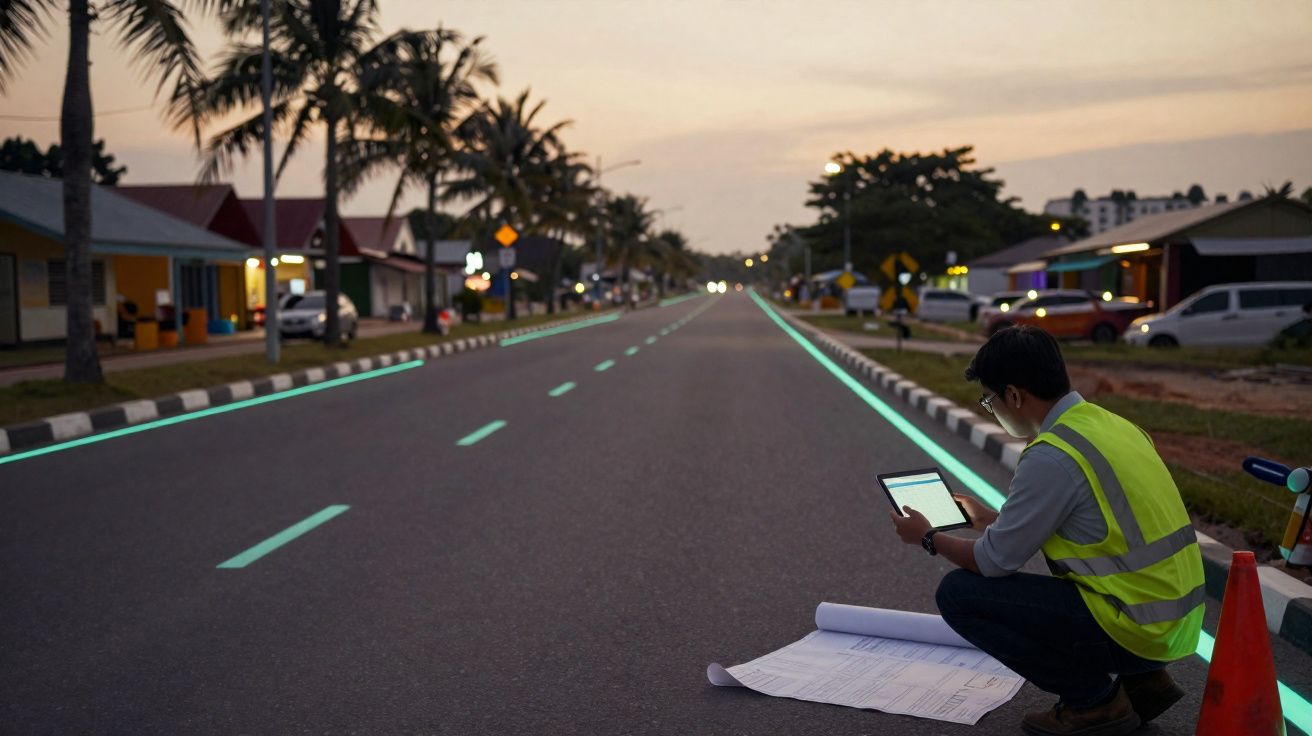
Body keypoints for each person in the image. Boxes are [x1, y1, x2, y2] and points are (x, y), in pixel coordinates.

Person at [889, 325, 1203, 736]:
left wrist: (928, 537)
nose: (991, 407)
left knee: (959, 595)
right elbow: (1085, 527)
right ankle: (1144, 679)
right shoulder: (1110, 425)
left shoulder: (1052, 456)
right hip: (1176, 621)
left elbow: (991, 563)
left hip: (1136, 625)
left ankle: (1094, 703)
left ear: (1014, 395)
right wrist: (987, 519)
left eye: (989, 399)